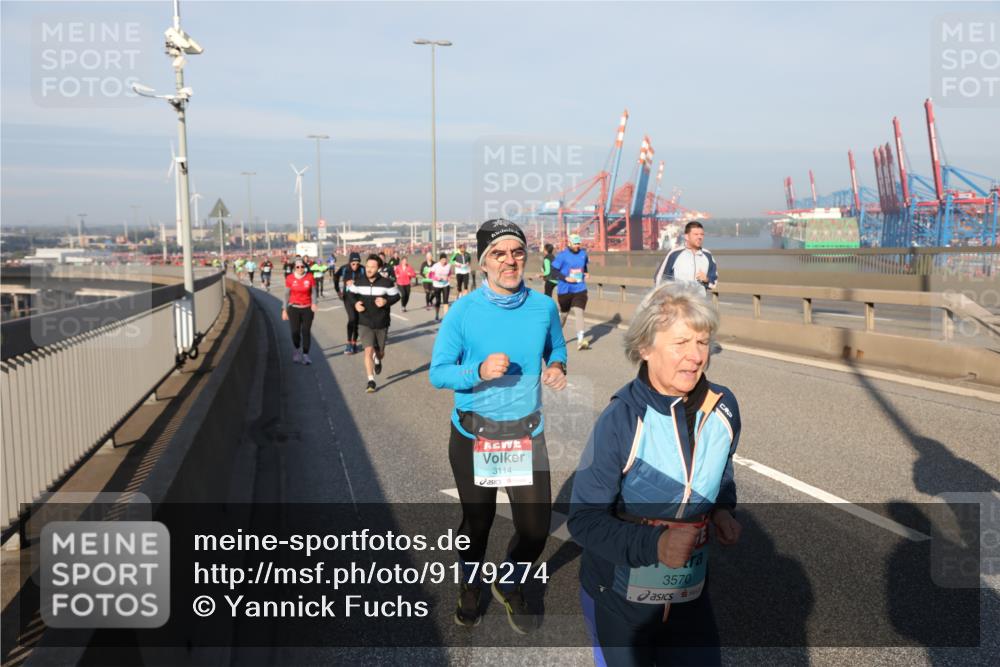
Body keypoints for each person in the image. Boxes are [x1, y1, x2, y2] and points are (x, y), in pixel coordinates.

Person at [568, 281, 742, 665]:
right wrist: (656, 545)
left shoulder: (724, 407)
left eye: (703, 343)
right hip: (618, 599)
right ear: (645, 348)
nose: (696, 357)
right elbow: (583, 520)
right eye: (681, 343)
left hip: (689, 598)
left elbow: (721, 469)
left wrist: (723, 509)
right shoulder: (622, 420)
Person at [429, 219, 568, 633]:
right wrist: (479, 371)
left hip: (526, 435)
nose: (510, 260)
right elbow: (439, 373)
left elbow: (556, 346)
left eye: (517, 252)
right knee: (478, 523)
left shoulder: (544, 306)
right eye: (498, 253)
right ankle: (471, 586)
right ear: (483, 263)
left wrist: (559, 365)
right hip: (475, 436)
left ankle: (509, 580)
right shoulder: (464, 311)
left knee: (536, 529)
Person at [348, 255, 400, 393]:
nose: (369, 269)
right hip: (364, 321)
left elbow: (396, 296)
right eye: (368, 266)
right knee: (368, 350)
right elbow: (350, 294)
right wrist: (355, 303)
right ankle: (371, 380)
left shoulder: (386, 283)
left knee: (380, 352)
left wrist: (386, 302)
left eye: (373, 267)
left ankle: (378, 358)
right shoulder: (359, 282)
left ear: (378, 268)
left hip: (381, 322)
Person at [652, 221, 718, 292]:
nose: (700, 237)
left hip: (699, 302)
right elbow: (659, 278)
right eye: (696, 234)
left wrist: (706, 280)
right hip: (677, 301)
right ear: (686, 236)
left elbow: (714, 283)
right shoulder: (674, 254)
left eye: (702, 234)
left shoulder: (708, 255)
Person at [552, 234, 591, 350]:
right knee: (564, 315)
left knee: (579, 312)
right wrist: (565, 278)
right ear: (569, 243)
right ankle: (554, 337)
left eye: (578, 243)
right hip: (565, 290)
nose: (577, 246)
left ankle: (580, 340)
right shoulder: (562, 256)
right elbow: (553, 272)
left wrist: (586, 273)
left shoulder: (583, 254)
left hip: (580, 288)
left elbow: (584, 266)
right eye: (575, 243)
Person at [282, 259, 318, 364]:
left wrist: (314, 303)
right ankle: (297, 350)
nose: (300, 269)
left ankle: (306, 355)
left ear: (305, 267)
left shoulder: (310, 277)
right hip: (294, 308)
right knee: (295, 332)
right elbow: (286, 295)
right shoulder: (289, 278)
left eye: (302, 266)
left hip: (307, 308)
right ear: (294, 268)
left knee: (306, 331)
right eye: (298, 267)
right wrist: (284, 309)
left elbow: (314, 292)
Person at [334, 252, 365, 354]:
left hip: (359, 297)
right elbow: (335, 277)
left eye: (357, 263)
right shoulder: (344, 268)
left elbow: (368, 280)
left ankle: (354, 342)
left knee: (357, 321)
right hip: (347, 297)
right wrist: (338, 290)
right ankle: (348, 343)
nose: (355, 266)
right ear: (349, 262)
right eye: (353, 264)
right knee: (352, 318)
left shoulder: (362, 269)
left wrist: (356, 283)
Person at [428, 253, 453, 321]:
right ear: (440, 260)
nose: (444, 261)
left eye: (445, 260)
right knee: (438, 301)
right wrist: (438, 278)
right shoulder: (435, 266)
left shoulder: (448, 265)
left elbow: (450, 273)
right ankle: (437, 315)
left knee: (446, 301)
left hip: (445, 285)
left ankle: (446, 317)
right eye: (442, 260)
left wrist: (448, 278)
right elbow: (430, 275)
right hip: (437, 285)